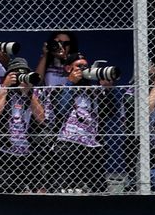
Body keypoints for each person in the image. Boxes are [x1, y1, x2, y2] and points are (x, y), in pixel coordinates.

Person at [42, 54, 111, 192]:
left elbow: (108, 113)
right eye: (79, 66)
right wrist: (70, 83)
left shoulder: (93, 91)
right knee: (61, 188)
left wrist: (107, 90)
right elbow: (61, 109)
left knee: (99, 190)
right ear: (68, 68)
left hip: (91, 146)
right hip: (67, 145)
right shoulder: (59, 88)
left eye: (86, 66)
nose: (84, 69)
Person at [0, 57, 41, 192]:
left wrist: (29, 93)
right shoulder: (0, 90)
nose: (20, 79)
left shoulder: (34, 92)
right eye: (16, 75)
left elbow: (41, 118)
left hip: (29, 153)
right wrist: (5, 87)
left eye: (24, 74)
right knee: (3, 191)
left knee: (40, 190)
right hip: (5, 152)